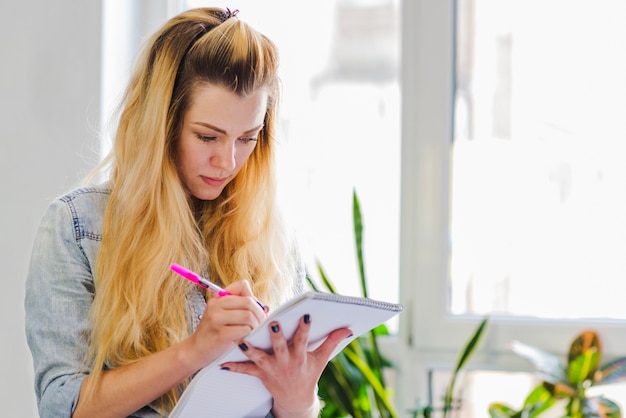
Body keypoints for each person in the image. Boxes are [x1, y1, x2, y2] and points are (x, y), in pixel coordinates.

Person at [25, 7, 352, 418]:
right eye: (207, 136)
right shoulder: (77, 228)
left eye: (247, 138)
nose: (227, 161)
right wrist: (193, 353)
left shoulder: (270, 241)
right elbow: (62, 407)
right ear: (160, 124)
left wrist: (297, 398)